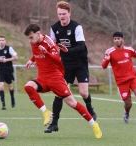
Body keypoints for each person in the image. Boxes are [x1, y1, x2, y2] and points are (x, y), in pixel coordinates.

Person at [23, 23, 102, 139]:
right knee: (28, 87)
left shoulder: (49, 42)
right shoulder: (34, 43)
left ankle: (94, 124)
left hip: (55, 78)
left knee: (72, 103)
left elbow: (57, 59)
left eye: (31, 37)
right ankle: (46, 112)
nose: (30, 41)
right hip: (42, 78)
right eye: (28, 38)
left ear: (38, 34)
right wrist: (31, 60)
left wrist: (46, 53)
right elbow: (36, 53)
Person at [45, 1, 96, 133]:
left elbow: (81, 46)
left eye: (64, 14)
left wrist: (68, 50)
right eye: (59, 14)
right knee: (59, 93)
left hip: (80, 63)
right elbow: (52, 46)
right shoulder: (54, 28)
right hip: (65, 65)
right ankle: (54, 123)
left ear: (69, 13)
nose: (61, 16)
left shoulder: (76, 27)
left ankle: (90, 108)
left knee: (83, 92)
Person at [101, 32, 136, 124]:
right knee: (128, 104)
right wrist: (106, 61)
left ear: (122, 39)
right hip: (121, 81)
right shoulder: (109, 52)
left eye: (118, 38)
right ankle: (126, 112)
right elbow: (103, 66)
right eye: (115, 39)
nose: (117, 40)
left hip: (132, 77)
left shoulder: (129, 50)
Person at [0, 36, 18, 110]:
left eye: (3, 40)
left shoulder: (9, 48)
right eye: (0, 40)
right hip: (0, 70)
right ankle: (3, 105)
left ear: (5, 41)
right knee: (1, 86)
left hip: (8, 70)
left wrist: (7, 60)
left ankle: (12, 98)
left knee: (10, 87)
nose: (1, 41)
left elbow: (16, 57)